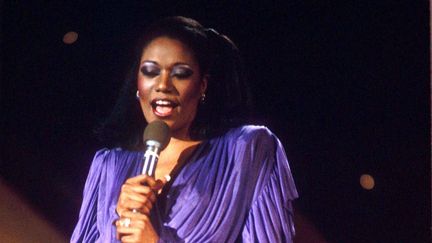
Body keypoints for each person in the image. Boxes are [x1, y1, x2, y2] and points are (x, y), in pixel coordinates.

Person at [71, 16, 298, 243]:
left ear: (202, 86)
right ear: (137, 86)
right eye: (150, 71)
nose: (163, 85)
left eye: (180, 73)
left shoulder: (247, 150)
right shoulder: (108, 166)